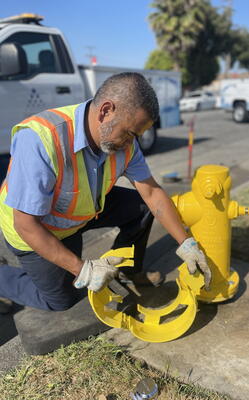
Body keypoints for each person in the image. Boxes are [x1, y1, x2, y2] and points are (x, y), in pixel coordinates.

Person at [0, 72, 211, 314]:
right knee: (62, 301)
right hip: (37, 228)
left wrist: (185, 242)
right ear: (105, 111)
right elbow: (26, 224)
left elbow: (152, 193)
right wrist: (82, 268)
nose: (132, 143)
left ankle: (129, 272)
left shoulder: (124, 143)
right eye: (131, 133)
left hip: (80, 212)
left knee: (141, 208)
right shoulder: (41, 138)